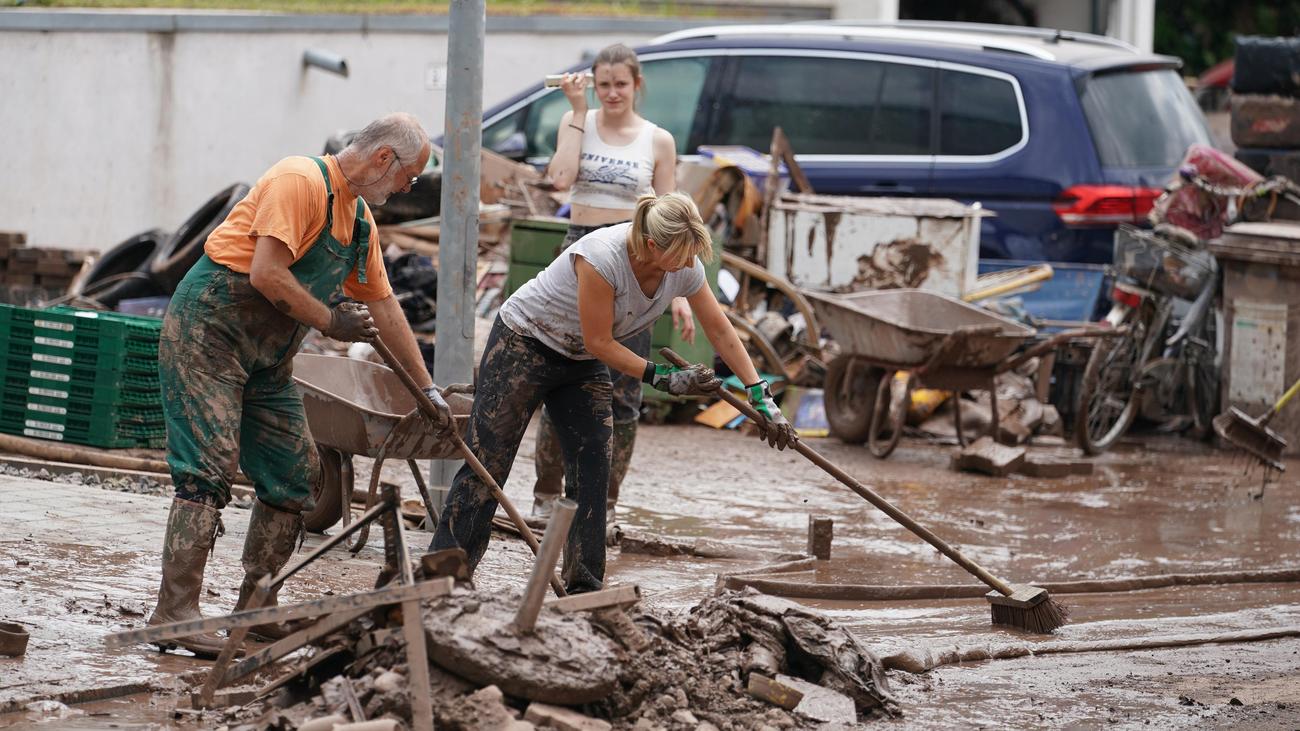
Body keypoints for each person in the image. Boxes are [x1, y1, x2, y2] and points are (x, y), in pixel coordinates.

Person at [146, 113, 454, 658]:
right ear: (384, 158)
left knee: (296, 475)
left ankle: (255, 608)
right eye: (408, 178)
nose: (407, 190)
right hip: (209, 332)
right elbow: (267, 273)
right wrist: (331, 321)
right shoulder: (300, 181)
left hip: (268, 358)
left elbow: (383, 304)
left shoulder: (359, 221)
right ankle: (175, 613)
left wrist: (426, 390)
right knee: (209, 467)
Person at [431, 192, 794, 595]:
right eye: (681, 255)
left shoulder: (685, 266)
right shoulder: (602, 256)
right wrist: (662, 377)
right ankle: (446, 577)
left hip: (580, 359)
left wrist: (760, 394)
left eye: (694, 255)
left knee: (593, 470)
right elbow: (601, 341)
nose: (689, 265)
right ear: (652, 245)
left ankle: (584, 587)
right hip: (525, 341)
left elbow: (721, 329)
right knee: (488, 460)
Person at [534, 42, 692, 528]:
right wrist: (578, 111)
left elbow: (670, 219)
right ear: (592, 85)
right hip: (582, 248)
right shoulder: (576, 120)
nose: (612, 93)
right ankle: (545, 495)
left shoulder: (657, 140)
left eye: (621, 84)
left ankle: (605, 502)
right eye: (603, 85)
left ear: (637, 84)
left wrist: (680, 291)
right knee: (560, 371)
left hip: (638, 255)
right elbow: (559, 179)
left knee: (624, 389)